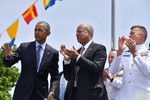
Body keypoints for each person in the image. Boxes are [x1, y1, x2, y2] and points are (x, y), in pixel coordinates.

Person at [2, 21, 59, 100]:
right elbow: (8, 63)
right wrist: (7, 56)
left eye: (40, 30)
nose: (36, 32)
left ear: (48, 33)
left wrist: (52, 92)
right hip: (22, 94)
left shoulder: (53, 53)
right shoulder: (24, 47)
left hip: (41, 95)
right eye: (35, 30)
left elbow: (55, 77)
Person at [60, 23, 108, 100]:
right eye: (76, 32)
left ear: (88, 33)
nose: (77, 34)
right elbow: (68, 76)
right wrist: (67, 61)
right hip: (74, 94)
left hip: (91, 95)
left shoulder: (99, 49)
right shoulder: (76, 52)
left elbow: (96, 68)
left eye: (79, 31)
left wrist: (78, 57)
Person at [110, 25, 150, 100]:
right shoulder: (125, 53)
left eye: (132, 33)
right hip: (124, 96)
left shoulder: (148, 53)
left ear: (141, 35)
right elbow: (113, 71)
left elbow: (148, 72)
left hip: (142, 96)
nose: (129, 35)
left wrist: (135, 54)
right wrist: (120, 51)